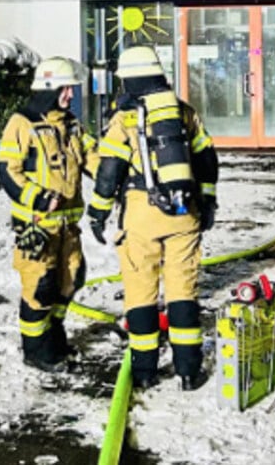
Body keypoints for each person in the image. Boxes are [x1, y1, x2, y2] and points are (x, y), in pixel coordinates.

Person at [86, 46, 218, 391]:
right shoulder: (184, 113)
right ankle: (188, 370)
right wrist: (208, 203)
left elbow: (109, 170)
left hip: (142, 214)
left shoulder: (124, 119)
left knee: (141, 292)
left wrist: (98, 212)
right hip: (183, 212)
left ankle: (144, 370)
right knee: (182, 291)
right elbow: (207, 160)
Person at [0, 56, 98, 373]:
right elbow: (7, 170)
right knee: (40, 287)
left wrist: (116, 178)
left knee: (71, 279)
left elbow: (93, 158)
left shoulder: (71, 125)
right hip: (37, 226)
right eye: (65, 89)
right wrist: (38, 199)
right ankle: (36, 350)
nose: (70, 95)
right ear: (49, 88)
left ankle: (54, 339)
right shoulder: (22, 123)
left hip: (68, 226)